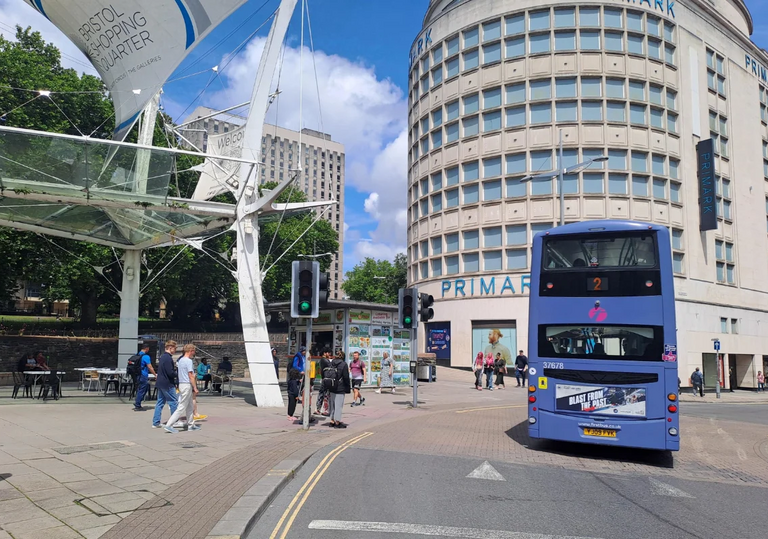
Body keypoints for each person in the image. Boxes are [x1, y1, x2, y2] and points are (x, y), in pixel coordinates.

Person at [164, 344, 200, 433]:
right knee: (182, 406)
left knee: (189, 405)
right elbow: (191, 375)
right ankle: (169, 424)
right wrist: (195, 387)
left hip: (181, 384)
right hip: (187, 384)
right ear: (191, 351)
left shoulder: (180, 360)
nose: (194, 353)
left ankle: (191, 424)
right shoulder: (188, 361)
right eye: (194, 351)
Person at [153, 341, 179, 428]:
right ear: (170, 347)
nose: (175, 350)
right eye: (175, 348)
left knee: (160, 402)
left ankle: (156, 422)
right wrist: (178, 374)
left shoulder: (163, 357)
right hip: (167, 383)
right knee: (173, 402)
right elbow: (170, 372)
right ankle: (174, 421)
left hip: (160, 383)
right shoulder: (168, 358)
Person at [328, 351, 351, 428]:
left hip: (331, 386)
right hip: (340, 387)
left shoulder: (331, 363)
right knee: (338, 405)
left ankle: (332, 420)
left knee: (332, 405)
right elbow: (346, 377)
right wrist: (348, 387)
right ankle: (337, 422)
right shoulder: (344, 364)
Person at [133, 344, 156, 411]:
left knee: (141, 388)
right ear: (146, 348)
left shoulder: (137, 355)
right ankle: (137, 404)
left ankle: (138, 401)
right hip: (143, 375)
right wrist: (155, 374)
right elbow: (150, 367)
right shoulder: (146, 356)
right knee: (143, 389)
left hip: (137, 375)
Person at [316, 351, 332, 415]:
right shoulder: (325, 360)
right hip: (326, 378)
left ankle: (318, 408)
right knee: (326, 394)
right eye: (328, 353)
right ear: (325, 353)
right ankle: (325, 409)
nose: (330, 354)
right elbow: (330, 366)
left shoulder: (321, 360)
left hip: (324, 378)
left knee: (321, 393)